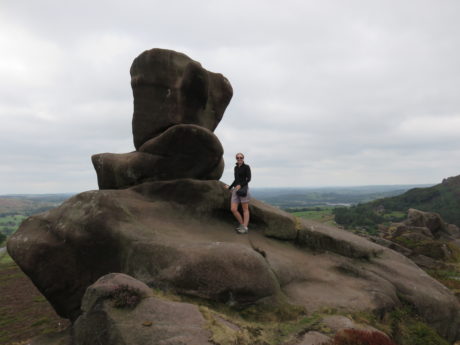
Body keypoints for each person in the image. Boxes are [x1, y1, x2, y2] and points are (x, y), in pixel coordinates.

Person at [227, 153, 251, 234]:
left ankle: (245, 227)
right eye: (238, 157)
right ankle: (242, 224)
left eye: (241, 157)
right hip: (236, 190)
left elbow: (249, 179)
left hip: (243, 189)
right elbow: (235, 180)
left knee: (245, 209)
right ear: (236, 158)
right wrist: (230, 187)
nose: (239, 159)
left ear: (243, 158)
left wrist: (240, 185)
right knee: (233, 209)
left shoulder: (246, 167)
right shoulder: (235, 168)